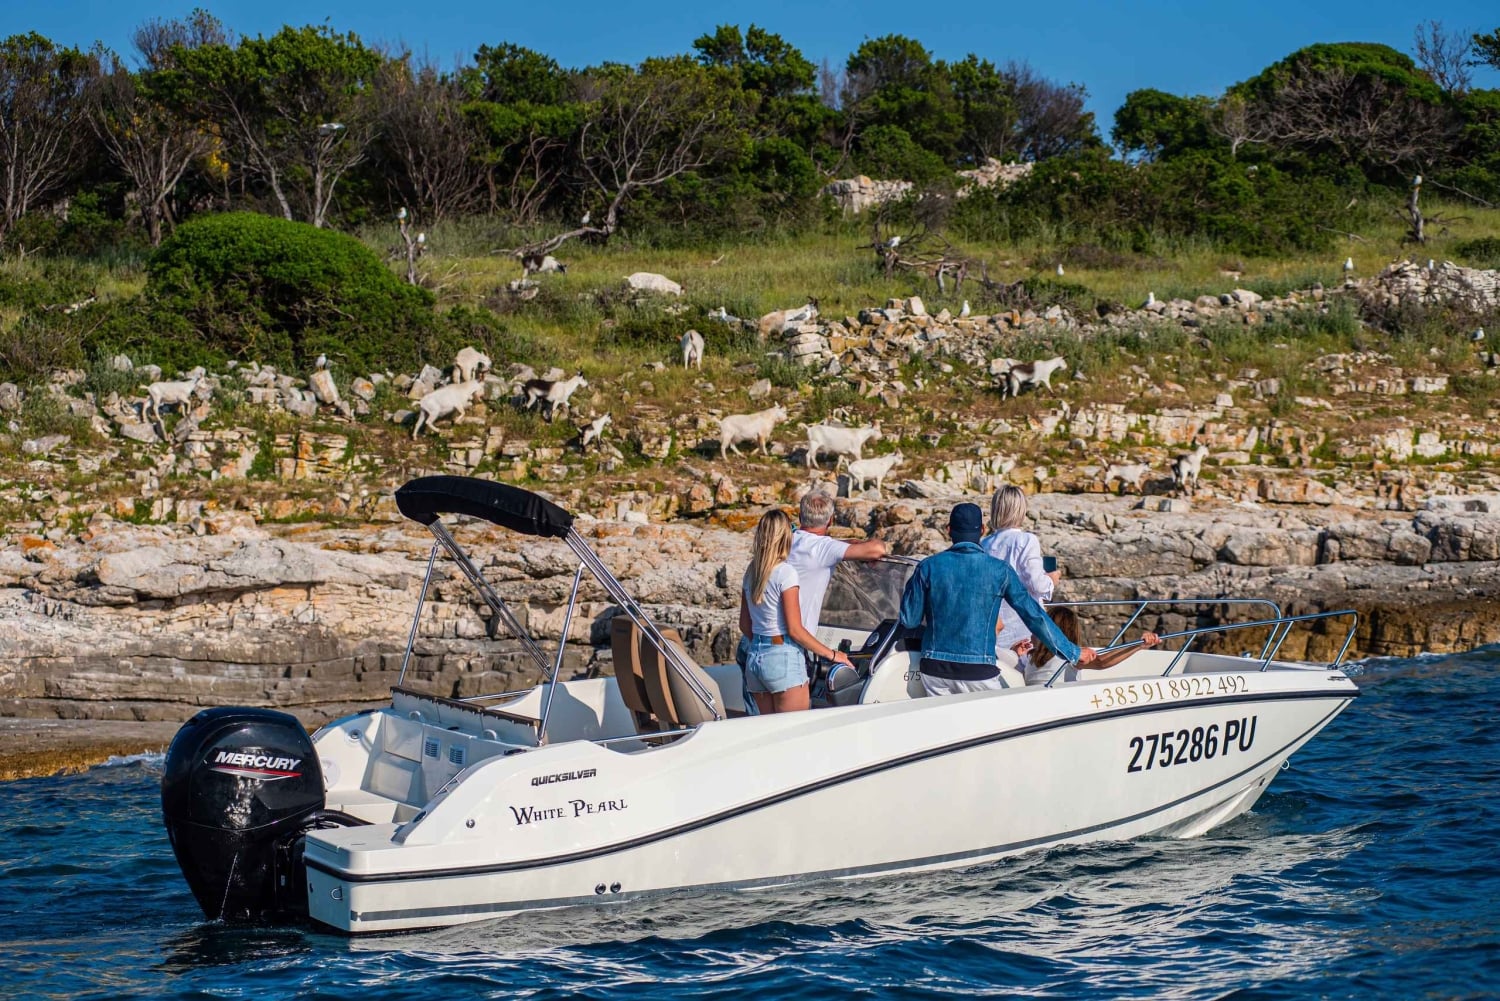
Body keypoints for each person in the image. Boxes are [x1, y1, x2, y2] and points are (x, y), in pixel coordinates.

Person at [898, 503, 1096, 697]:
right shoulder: (1000, 571)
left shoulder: (927, 567)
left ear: (949, 530)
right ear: (983, 530)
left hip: (934, 669)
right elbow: (1033, 616)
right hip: (978, 672)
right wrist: (1072, 652)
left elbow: (910, 620)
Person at [738, 509, 853, 714]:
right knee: (795, 733)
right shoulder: (785, 572)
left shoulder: (751, 571)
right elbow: (795, 630)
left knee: (768, 734)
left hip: (755, 658)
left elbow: (745, 626)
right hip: (783, 657)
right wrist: (833, 654)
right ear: (784, 536)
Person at [788, 491, 888, 643]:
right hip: (797, 639)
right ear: (830, 520)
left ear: (801, 517)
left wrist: (849, 543)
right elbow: (877, 549)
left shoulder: (788, 540)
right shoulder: (824, 548)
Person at [981, 486, 1058, 669]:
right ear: (1020, 509)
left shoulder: (984, 543)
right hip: (1022, 628)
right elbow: (1037, 584)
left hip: (993, 630)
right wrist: (1052, 581)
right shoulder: (1026, 540)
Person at [1018, 606, 1160, 685]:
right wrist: (1138, 646)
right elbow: (1102, 662)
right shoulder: (1070, 655)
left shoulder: (1031, 658)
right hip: (1061, 709)